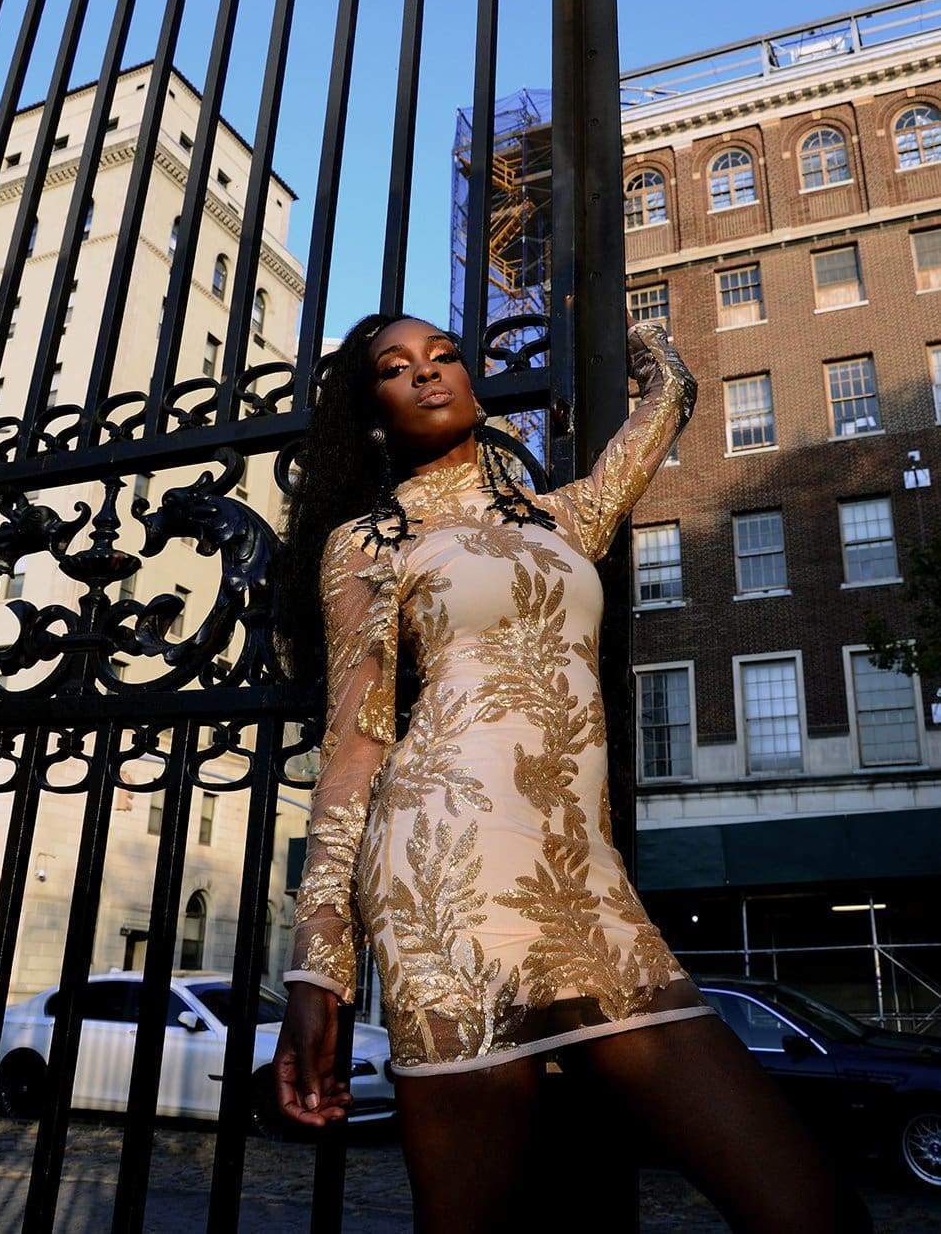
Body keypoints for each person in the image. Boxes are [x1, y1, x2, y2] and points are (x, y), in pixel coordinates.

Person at [272, 310, 873, 1234]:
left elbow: (668, 401)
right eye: (398, 370)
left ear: (473, 382)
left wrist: (644, 336)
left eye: (444, 357)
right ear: (375, 417)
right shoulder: (367, 543)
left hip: (588, 890)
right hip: (445, 885)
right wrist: (321, 963)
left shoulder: (565, 518)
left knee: (808, 1210)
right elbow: (355, 746)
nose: (429, 375)